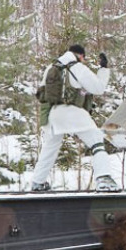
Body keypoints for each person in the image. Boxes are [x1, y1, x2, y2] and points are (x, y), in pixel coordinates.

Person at [30, 45, 118, 192]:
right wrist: (103, 69)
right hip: (73, 113)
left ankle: (38, 182)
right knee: (96, 142)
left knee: (49, 148)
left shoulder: (50, 68)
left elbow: (42, 93)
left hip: (53, 114)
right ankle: (104, 178)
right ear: (81, 56)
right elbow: (98, 88)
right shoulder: (77, 68)